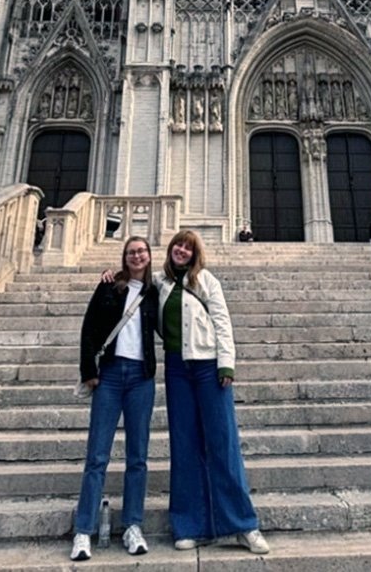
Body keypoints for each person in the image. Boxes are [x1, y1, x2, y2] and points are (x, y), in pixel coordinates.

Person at [158, 230, 269, 554]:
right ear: (171, 249)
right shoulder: (160, 283)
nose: (181, 250)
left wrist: (227, 365)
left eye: (188, 247)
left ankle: (243, 524)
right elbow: (135, 280)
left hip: (208, 366)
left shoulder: (207, 281)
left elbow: (222, 322)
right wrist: (116, 275)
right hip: (177, 369)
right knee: (184, 445)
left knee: (223, 442)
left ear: (195, 254)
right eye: (178, 245)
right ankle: (189, 524)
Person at [70, 237, 160, 561]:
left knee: (138, 456)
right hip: (108, 376)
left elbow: (171, 325)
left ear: (149, 257)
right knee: (97, 455)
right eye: (131, 252)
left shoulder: (154, 293)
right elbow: (89, 328)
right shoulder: (110, 286)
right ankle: (84, 530)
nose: (137, 256)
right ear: (125, 258)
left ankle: (133, 525)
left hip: (141, 378)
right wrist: (88, 371)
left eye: (142, 251)